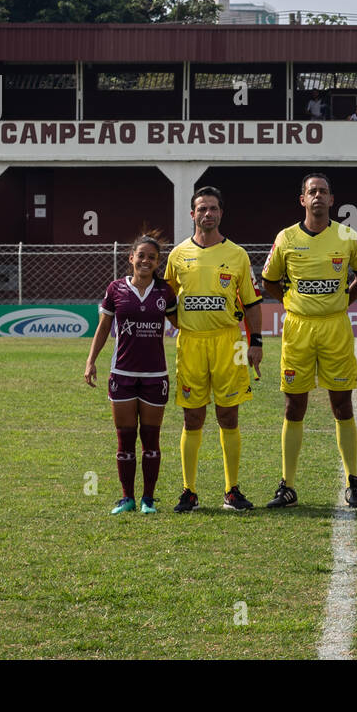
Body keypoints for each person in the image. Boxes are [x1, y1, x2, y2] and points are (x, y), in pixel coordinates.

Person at [260, 173, 357, 508]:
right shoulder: (286, 238)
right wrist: (291, 302)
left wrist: (343, 301)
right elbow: (269, 281)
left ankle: (353, 482)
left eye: (323, 191)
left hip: (335, 327)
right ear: (303, 200)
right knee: (295, 406)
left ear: (332, 199)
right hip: (298, 328)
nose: (318, 197)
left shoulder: (347, 236)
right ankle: (288, 485)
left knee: (342, 403)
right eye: (312, 192)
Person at [162, 186, 264, 512]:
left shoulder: (237, 254)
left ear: (221, 213)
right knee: (192, 417)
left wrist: (256, 341)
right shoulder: (177, 255)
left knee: (228, 415)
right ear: (192, 214)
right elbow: (165, 297)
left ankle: (231, 490)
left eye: (213, 209)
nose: (208, 214)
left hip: (229, 341)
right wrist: (180, 323)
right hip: (191, 343)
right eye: (202, 209)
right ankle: (189, 492)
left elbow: (251, 302)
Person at [85, 232, 180, 514]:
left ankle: (148, 499)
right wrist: (91, 361)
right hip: (122, 374)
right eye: (141, 256)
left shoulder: (165, 292)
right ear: (131, 258)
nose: (145, 261)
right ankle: (126, 498)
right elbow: (103, 327)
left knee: (151, 439)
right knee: (125, 438)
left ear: (157, 262)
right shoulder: (116, 289)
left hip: (155, 376)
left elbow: (182, 324)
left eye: (151, 257)